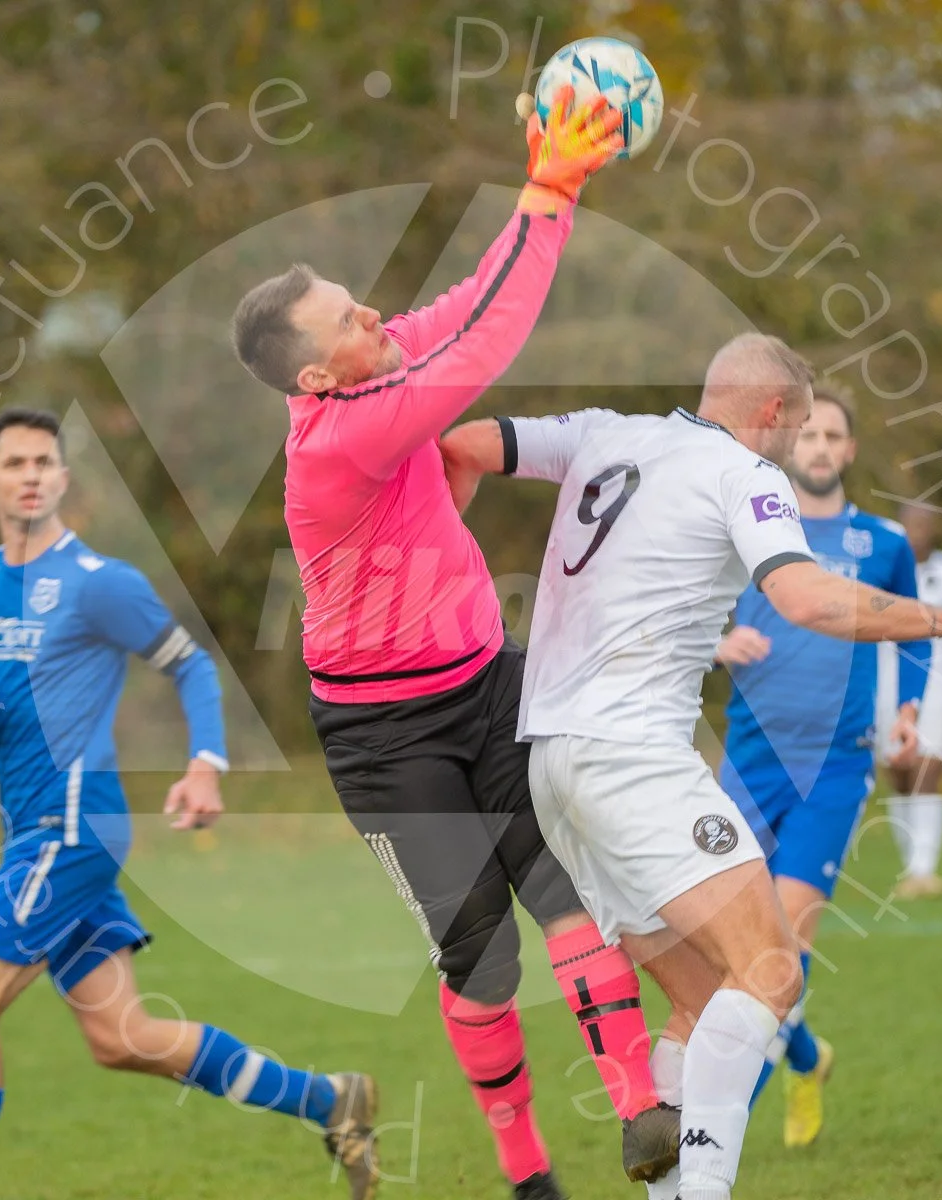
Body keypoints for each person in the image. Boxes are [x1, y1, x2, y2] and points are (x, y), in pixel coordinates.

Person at [438, 332, 942, 1200]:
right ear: (775, 412)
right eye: (796, 425)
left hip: (550, 764)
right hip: (631, 758)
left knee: (708, 999)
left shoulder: (606, 430)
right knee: (775, 970)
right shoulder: (746, 474)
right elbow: (808, 597)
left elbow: (467, 443)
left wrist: (443, 550)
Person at [230, 92, 678, 1199]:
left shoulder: (373, 368)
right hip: (383, 738)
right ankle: (525, 1167)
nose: (373, 310)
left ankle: (639, 1110)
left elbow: (473, 303)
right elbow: (483, 352)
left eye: (354, 296)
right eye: (346, 316)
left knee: (565, 887)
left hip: (489, 688)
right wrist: (549, 190)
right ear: (315, 378)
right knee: (483, 953)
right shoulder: (342, 433)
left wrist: (547, 195)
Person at [0, 408, 377, 1200]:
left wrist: (205, 766)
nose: (31, 475)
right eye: (15, 463)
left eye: (44, 462)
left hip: (72, 834)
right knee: (122, 1039)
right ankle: (328, 1099)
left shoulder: (101, 586)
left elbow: (192, 666)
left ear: (62, 478)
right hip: (37, 839)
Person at [712, 385, 930, 1149]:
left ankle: (716, 1129)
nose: (818, 446)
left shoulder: (884, 542)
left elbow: (916, 631)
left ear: (848, 450)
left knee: (779, 961)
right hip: (747, 763)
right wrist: (716, 640)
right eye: (807, 434)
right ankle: (807, 1059)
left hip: (836, 770)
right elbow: (688, 606)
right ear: (788, 445)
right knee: (719, 953)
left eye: (832, 434)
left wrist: (909, 711)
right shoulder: (745, 529)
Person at [875, 502, 942, 899]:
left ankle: (925, 868)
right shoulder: (882, 570)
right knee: (899, 776)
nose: (917, 531)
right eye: (910, 524)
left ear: (934, 528)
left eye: (924, 523)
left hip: (937, 690)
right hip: (885, 690)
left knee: (927, 772)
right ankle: (910, 868)